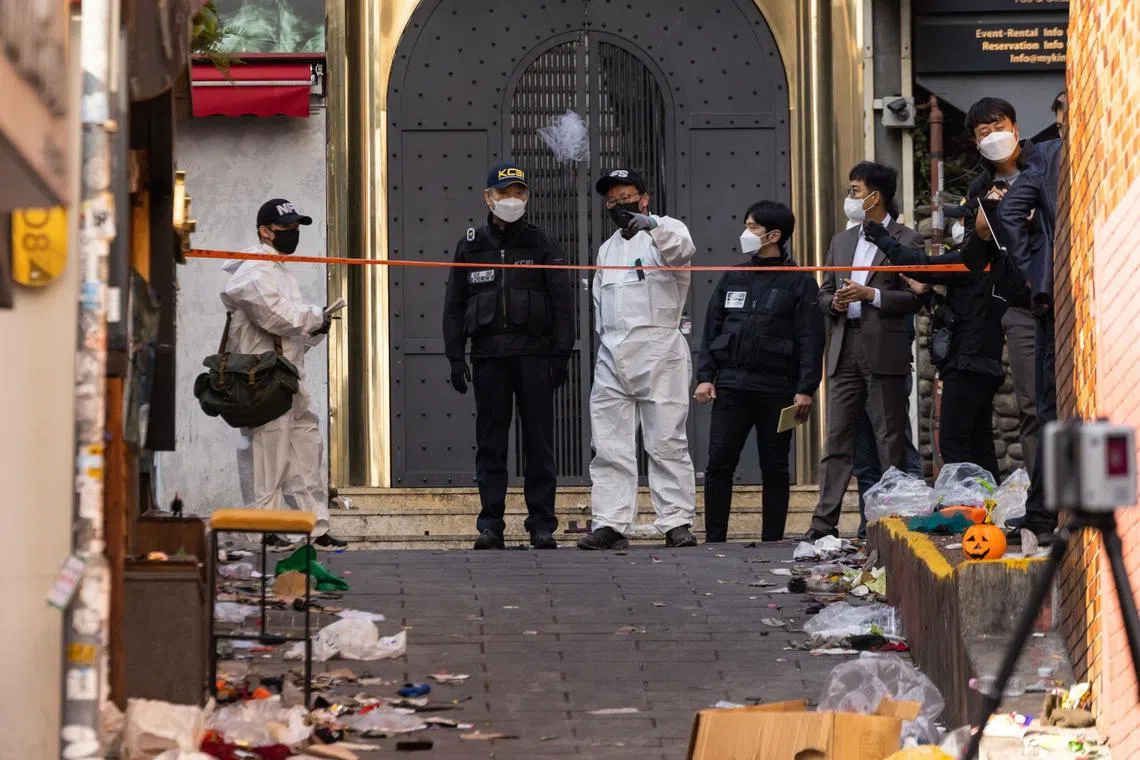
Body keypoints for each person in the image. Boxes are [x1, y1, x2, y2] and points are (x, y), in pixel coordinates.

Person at [442, 162, 575, 550]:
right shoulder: (470, 245)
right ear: (488, 198)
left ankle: (541, 524)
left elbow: (562, 303)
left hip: (535, 357)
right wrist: (455, 357)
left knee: (539, 443)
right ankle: (491, 524)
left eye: (518, 193)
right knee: (491, 444)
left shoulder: (542, 242)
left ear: (527, 197)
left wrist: (561, 355)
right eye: (504, 194)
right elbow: (454, 306)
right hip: (489, 357)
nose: (512, 200)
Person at [578, 169, 699, 550]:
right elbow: (600, 301)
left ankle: (677, 521)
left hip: (659, 351)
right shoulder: (607, 248)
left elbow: (682, 249)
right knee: (609, 444)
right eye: (611, 200)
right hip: (613, 354)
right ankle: (611, 522)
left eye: (626, 196)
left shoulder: (667, 231)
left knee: (667, 441)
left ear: (643, 199)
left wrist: (653, 226)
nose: (618, 204)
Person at [805, 162, 924, 540]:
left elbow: (914, 298)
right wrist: (836, 303)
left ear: (877, 196)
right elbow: (822, 293)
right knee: (837, 440)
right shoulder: (842, 240)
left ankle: (893, 523)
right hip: (843, 345)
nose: (850, 198)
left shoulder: (907, 239)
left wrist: (870, 294)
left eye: (855, 190)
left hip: (883, 347)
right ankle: (823, 524)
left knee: (890, 437)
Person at [961, 97, 1062, 543]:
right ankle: (1043, 509)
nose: (992, 136)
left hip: (1064, 289)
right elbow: (971, 258)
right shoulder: (979, 190)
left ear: (1016, 126)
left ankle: (1062, 502)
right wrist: (982, 234)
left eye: (997, 126)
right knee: (1032, 407)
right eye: (982, 133)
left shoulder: (1047, 160)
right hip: (1022, 307)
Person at [694, 201, 824, 542]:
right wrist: (705, 376)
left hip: (778, 387)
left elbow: (811, 339)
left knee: (775, 466)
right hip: (732, 385)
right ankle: (715, 538)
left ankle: (772, 540)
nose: (745, 233)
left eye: (752, 227)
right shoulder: (735, 275)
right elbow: (712, 329)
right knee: (719, 462)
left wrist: (805, 388)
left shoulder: (799, 282)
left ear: (774, 235)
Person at [220, 198, 346, 550]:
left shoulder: (277, 270)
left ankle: (314, 527)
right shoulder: (254, 271)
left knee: (306, 449)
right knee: (266, 454)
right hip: (261, 379)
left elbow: (288, 333)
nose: (292, 234)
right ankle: (265, 530)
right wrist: (312, 317)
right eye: (285, 229)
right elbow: (274, 315)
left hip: (287, 374)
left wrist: (315, 330)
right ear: (264, 231)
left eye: (295, 228)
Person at [861, 217, 1023, 482]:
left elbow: (919, 264)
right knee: (980, 443)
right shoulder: (1001, 262)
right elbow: (960, 312)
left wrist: (880, 236)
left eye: (963, 220)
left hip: (966, 363)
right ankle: (989, 508)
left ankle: (967, 506)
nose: (958, 227)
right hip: (984, 363)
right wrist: (926, 295)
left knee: (953, 441)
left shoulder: (972, 259)